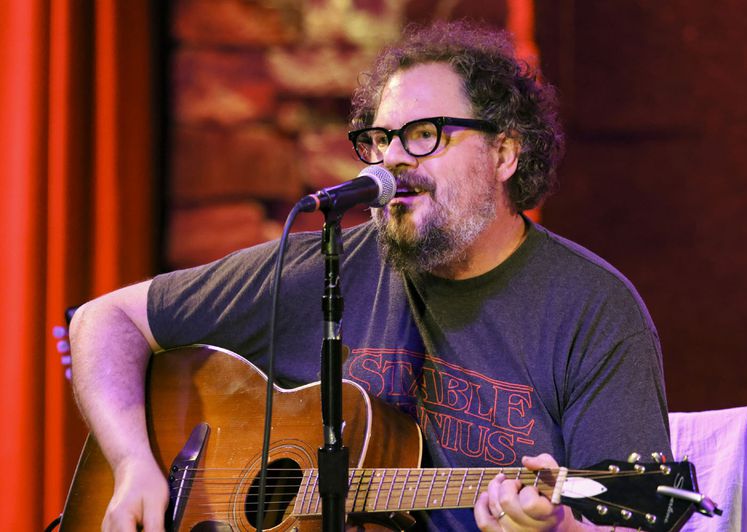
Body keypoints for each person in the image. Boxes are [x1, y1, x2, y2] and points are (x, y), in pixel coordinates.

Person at [70, 20, 672, 532]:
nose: (393, 158)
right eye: (381, 138)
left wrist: (555, 526)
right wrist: (133, 466)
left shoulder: (592, 309)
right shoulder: (329, 262)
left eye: (424, 134)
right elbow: (107, 319)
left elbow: (626, 516)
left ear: (505, 154)